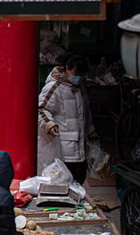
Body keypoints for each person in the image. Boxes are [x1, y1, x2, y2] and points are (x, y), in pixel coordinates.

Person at [38, 54, 96, 183]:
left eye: (82, 74)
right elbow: (41, 109)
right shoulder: (54, 87)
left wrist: (91, 132)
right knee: (63, 182)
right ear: (67, 69)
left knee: (79, 181)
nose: (79, 77)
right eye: (76, 73)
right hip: (63, 149)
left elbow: (86, 114)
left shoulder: (81, 89)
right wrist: (49, 124)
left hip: (80, 149)